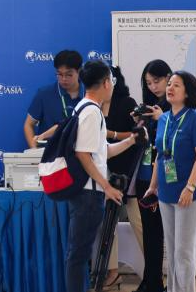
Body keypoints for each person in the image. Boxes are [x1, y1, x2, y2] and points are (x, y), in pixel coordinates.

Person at [65, 60, 139, 292]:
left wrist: (132, 140)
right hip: (88, 194)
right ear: (106, 83)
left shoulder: (86, 108)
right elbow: (83, 154)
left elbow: (101, 151)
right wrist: (106, 185)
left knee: (80, 253)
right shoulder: (91, 112)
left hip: (87, 192)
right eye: (112, 81)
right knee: (79, 255)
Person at [144, 71, 196, 292]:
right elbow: (160, 156)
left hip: (188, 194)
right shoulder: (163, 118)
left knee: (183, 252)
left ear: (188, 92)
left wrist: (190, 187)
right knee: (172, 253)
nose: (170, 88)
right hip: (166, 193)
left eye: (177, 85)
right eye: (169, 84)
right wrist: (153, 186)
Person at [131, 59, 172, 292]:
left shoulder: (174, 107)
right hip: (144, 175)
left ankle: (156, 282)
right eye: (148, 83)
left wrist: (161, 118)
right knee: (150, 232)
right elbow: (142, 142)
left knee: (160, 233)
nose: (153, 87)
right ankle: (151, 280)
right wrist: (140, 122)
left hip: (165, 177)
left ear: (168, 78)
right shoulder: (150, 106)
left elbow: (176, 140)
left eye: (157, 81)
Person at [101, 66, 142, 289]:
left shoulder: (127, 103)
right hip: (102, 171)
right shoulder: (93, 105)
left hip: (128, 170)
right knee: (107, 224)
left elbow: (138, 134)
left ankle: (154, 271)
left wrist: (112, 135)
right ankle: (112, 271)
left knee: (138, 221)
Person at [24, 50, 84, 147]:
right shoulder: (44, 94)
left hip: (80, 152)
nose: (64, 79)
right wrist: (34, 150)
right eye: (59, 74)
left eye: (69, 75)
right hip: (49, 153)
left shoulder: (89, 94)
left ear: (79, 71)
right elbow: (28, 124)